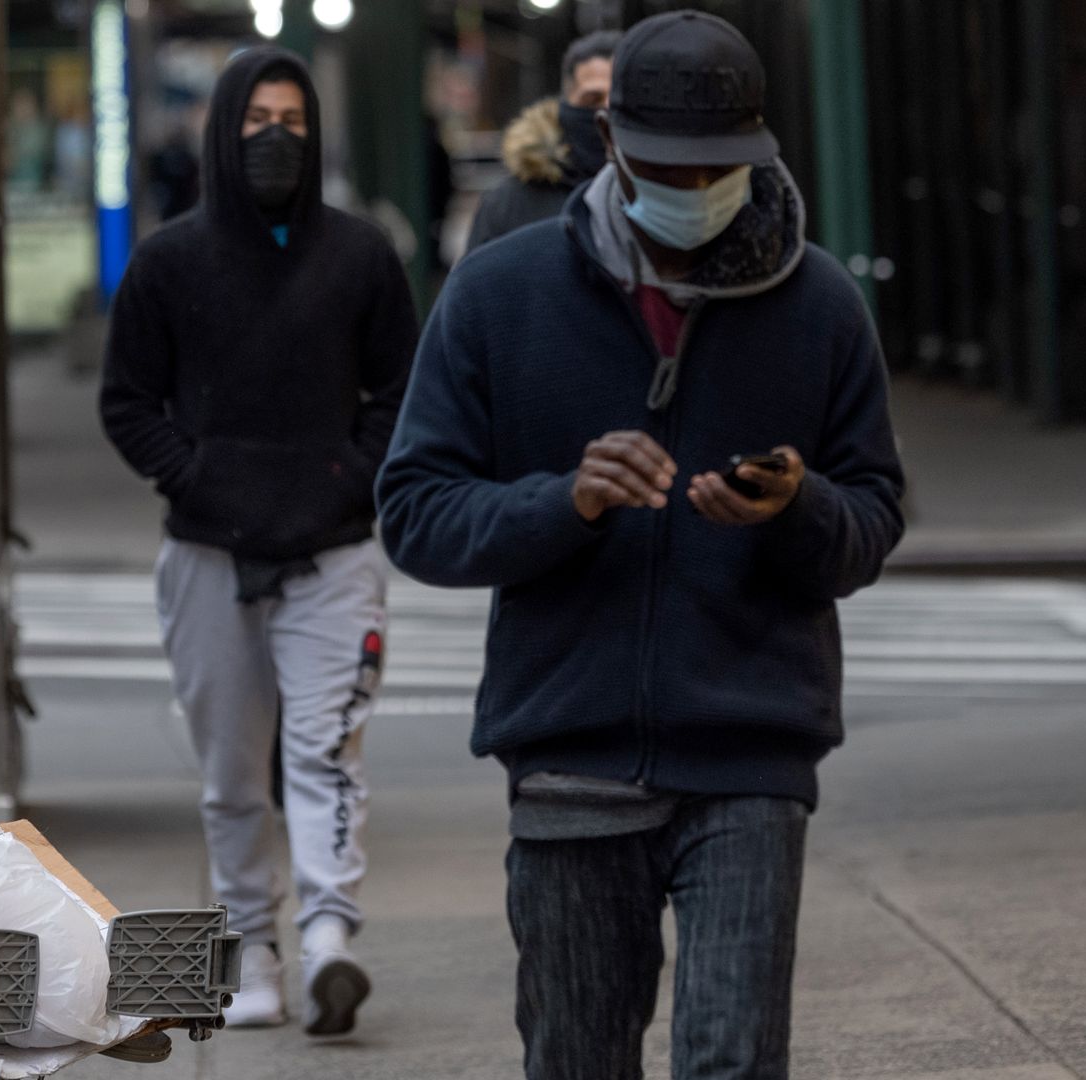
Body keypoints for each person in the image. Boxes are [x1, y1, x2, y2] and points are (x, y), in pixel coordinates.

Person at [377, 12, 905, 1078]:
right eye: (666, 165)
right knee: (577, 1057)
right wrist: (560, 501)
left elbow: (874, 520)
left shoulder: (821, 307)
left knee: (735, 1056)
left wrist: (796, 509)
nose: (693, 187)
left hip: (753, 750)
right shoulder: (499, 292)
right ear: (609, 143)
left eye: (717, 168)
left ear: (757, 153)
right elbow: (416, 511)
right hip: (568, 750)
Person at [98, 47, 418, 1037]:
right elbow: (127, 403)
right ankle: (253, 951)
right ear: (222, 129)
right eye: (255, 118)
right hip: (205, 555)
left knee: (325, 752)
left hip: (333, 554)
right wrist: (200, 477)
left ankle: (329, 939)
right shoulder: (168, 262)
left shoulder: (362, 255)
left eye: (293, 117)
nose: (275, 136)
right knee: (233, 777)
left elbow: (402, 395)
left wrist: (344, 476)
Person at [462, 29, 621, 254]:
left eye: (617, 99)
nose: (606, 111)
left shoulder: (659, 192)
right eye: (593, 99)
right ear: (567, 102)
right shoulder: (509, 204)